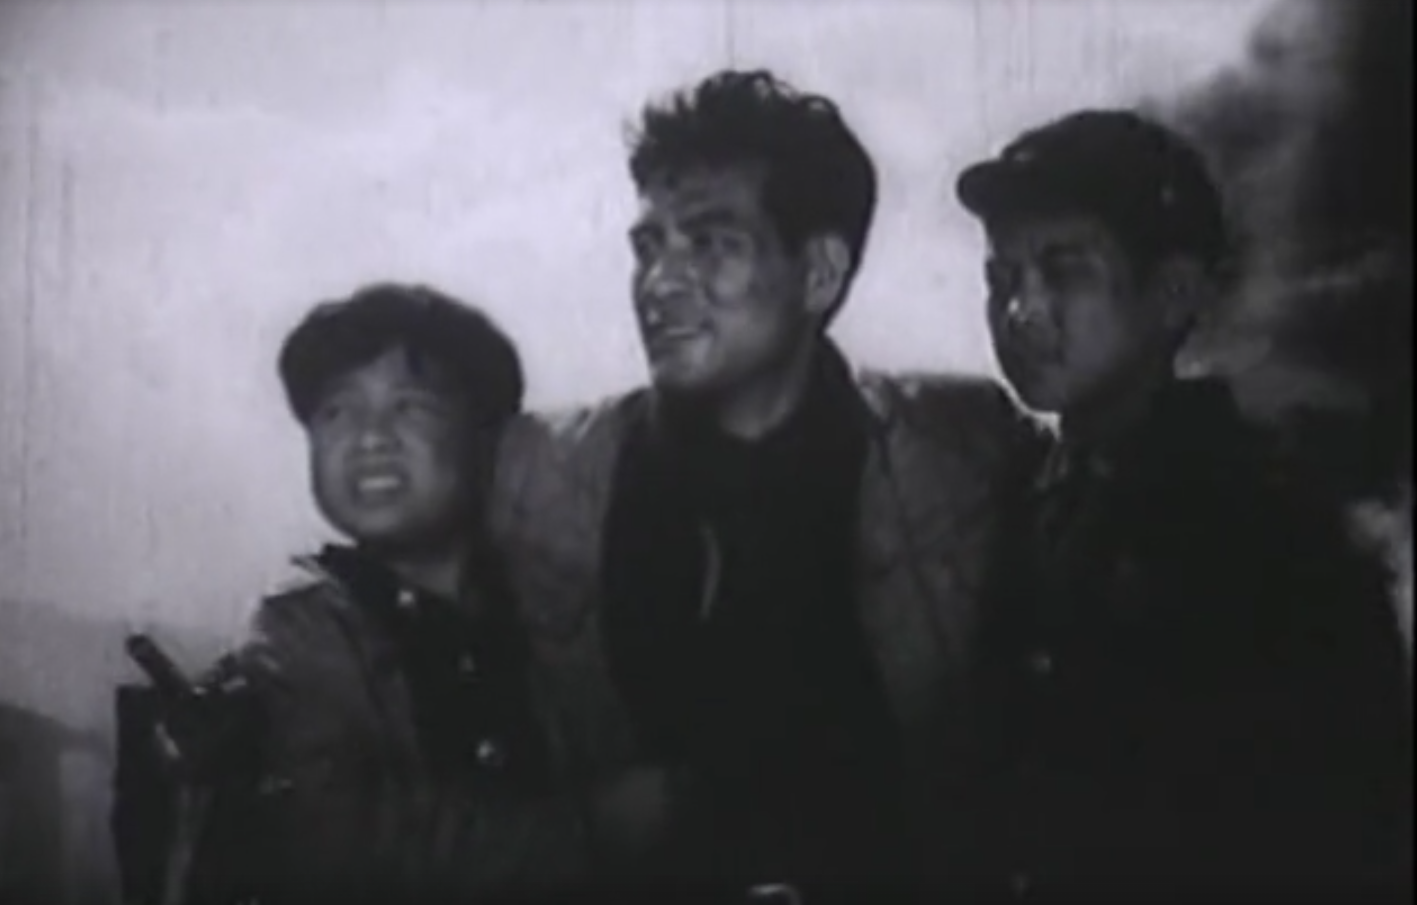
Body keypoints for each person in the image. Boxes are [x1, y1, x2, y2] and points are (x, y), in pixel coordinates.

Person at [485, 69, 1037, 903]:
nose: (659, 283)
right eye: (648, 246)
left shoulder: (962, 448)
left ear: (819, 272)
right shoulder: (538, 473)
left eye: (710, 242)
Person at [954, 109, 1413, 902]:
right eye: (1002, 278)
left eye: (1065, 271)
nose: (1020, 311)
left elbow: (1352, 831)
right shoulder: (1027, 496)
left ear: (1172, 292)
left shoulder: (1272, 530)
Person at [117, 284, 601, 905]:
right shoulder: (301, 626)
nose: (370, 437)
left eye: (410, 407)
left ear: (487, 438)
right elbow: (341, 845)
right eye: (336, 413)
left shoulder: (545, 604)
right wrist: (594, 832)